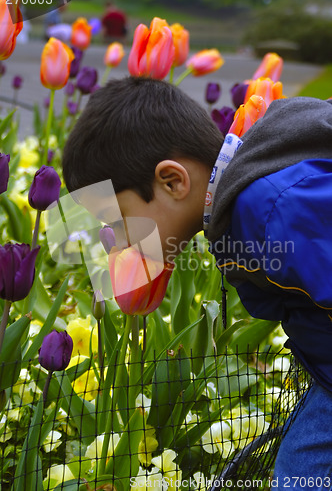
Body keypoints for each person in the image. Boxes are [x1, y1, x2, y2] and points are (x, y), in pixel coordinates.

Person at [62, 76, 332, 489]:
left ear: (173, 181)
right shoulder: (243, 206)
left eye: (119, 221)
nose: (118, 241)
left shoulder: (269, 207)